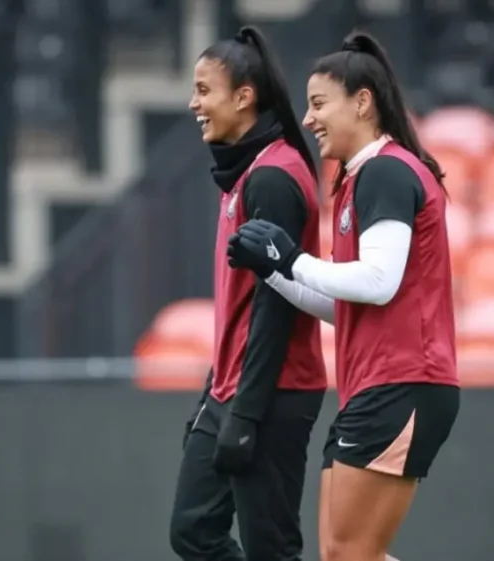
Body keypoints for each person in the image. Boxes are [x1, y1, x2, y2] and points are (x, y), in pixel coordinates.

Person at [226, 30, 460, 561]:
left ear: (362, 101)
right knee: (345, 555)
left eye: (317, 104)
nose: (307, 120)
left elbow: (378, 282)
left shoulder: (385, 170)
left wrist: (292, 259)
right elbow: (347, 307)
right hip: (380, 388)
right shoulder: (361, 178)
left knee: (349, 555)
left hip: (402, 383)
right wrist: (274, 272)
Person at [169, 26, 328, 561]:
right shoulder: (247, 173)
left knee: (271, 549)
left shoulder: (273, 178)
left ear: (244, 97)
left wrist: (246, 414)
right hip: (231, 390)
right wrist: (212, 395)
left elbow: (275, 306)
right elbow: (240, 309)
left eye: (204, 90)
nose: (194, 103)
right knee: (193, 530)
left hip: (272, 394)